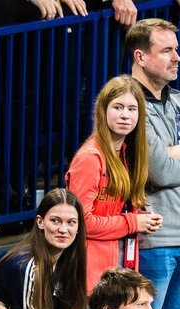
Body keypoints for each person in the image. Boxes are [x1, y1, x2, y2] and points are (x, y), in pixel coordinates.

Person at [65, 74, 162, 293]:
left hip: (119, 267)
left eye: (132, 109)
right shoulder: (90, 157)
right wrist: (133, 223)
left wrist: (142, 218)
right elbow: (83, 222)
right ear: (103, 110)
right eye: (118, 107)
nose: (125, 115)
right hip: (91, 273)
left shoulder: (127, 154)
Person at [126, 19, 180, 309]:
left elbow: (166, 161)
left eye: (176, 49)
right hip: (154, 239)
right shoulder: (127, 103)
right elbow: (160, 172)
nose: (177, 57)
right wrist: (167, 156)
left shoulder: (177, 100)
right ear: (141, 56)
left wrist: (170, 152)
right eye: (167, 50)